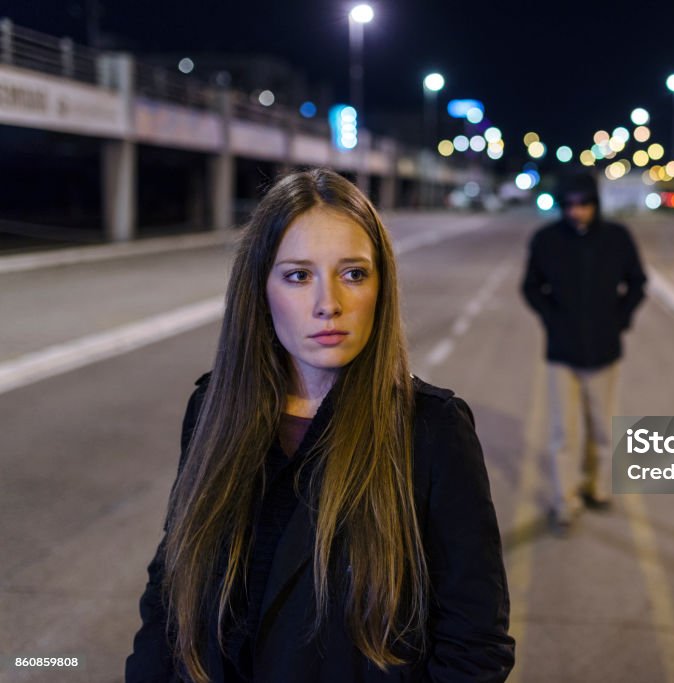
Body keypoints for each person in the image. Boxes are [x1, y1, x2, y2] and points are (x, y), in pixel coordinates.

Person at [126, 168, 514, 682]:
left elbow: (475, 643)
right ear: (259, 288)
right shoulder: (212, 409)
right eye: (298, 275)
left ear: (381, 286)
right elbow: (170, 587)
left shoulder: (432, 431)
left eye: (353, 274)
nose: (328, 304)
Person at [521, 172, 647, 533]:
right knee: (565, 431)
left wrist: (619, 320)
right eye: (571, 205)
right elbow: (530, 286)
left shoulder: (617, 238)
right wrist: (551, 318)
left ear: (596, 203)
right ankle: (567, 501)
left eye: (585, 204)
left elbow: (638, 283)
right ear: (563, 205)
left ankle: (600, 488)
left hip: (605, 349)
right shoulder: (545, 240)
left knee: (602, 427)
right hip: (561, 351)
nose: (578, 212)